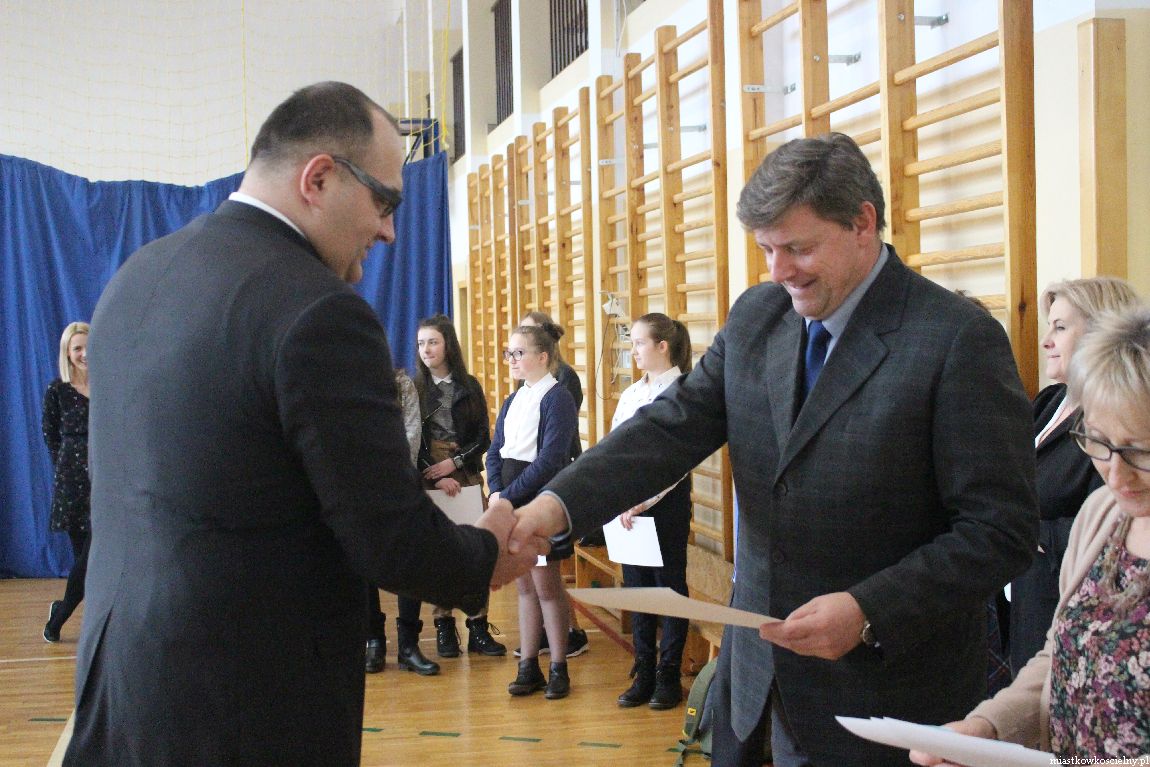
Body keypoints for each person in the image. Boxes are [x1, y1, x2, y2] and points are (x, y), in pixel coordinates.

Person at [508, 132, 1037, 766]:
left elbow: (1000, 530)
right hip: (759, 676)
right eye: (766, 249)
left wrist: (868, 610)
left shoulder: (955, 339)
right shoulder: (760, 316)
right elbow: (667, 429)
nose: (780, 271)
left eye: (799, 248)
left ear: (862, 223)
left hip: (888, 697)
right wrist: (551, 507)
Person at [67, 82, 537, 767]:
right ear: (318, 178)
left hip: (122, 687)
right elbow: (389, 538)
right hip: (244, 705)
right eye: (384, 202)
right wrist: (485, 549)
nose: (389, 231)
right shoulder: (318, 312)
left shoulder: (137, 275)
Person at [910, 305, 1150, 764]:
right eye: (1098, 442)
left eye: (1139, 451)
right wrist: (987, 727)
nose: (1116, 475)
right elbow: (1061, 655)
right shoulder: (1103, 515)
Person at [1008, 277, 1141, 674]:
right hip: (1023, 598)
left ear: (1102, 333)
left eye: (1060, 327)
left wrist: (1022, 530)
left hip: (1066, 604)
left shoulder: (1117, 427)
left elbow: (1113, 523)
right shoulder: (1049, 401)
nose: (1046, 341)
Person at [394, 313, 503, 671]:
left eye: (433, 342)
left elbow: (483, 437)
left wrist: (454, 464)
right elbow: (412, 438)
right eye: (421, 343)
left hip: (465, 472)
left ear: (448, 345)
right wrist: (436, 473)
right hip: (429, 476)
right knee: (440, 552)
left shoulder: (469, 385)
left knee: (476, 549)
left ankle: (479, 627)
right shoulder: (414, 387)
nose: (426, 349)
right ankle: (444, 627)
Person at [487, 324, 578, 700]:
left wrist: (508, 497)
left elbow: (551, 459)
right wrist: (496, 491)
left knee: (546, 586)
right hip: (509, 498)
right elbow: (496, 450)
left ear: (542, 356)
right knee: (523, 586)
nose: (511, 360)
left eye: (519, 353)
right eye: (509, 353)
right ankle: (528, 665)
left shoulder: (557, 398)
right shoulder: (513, 399)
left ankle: (558, 665)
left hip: (538, 500)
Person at [610, 313, 693, 710]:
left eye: (640, 343)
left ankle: (668, 674)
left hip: (664, 504)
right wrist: (616, 497)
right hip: (626, 505)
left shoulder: (681, 391)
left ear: (663, 346)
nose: (634, 351)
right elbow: (613, 447)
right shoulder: (631, 393)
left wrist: (642, 501)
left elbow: (676, 460)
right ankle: (643, 670)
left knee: (668, 588)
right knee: (638, 587)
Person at [515, 310, 590, 659]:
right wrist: (501, 489)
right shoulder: (523, 387)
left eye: (526, 337)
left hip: (551, 482)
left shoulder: (563, 382)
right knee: (533, 578)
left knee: (547, 571)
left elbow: (553, 445)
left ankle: (569, 634)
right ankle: (547, 635)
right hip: (526, 487)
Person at [363, 368, 424, 674]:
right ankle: (373, 640)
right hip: (360, 487)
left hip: (399, 481)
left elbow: (412, 433)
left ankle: (409, 645)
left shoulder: (401, 383)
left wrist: (388, 470)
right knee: (364, 564)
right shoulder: (342, 383)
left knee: (409, 561)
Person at [41, 321, 91, 643]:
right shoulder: (57, 390)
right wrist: (67, 465)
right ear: (68, 353)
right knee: (83, 563)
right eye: (77, 348)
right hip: (72, 484)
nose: (84, 353)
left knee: (92, 560)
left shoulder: (107, 384)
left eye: (88, 346)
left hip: (105, 481)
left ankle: (58, 616)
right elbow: (50, 434)